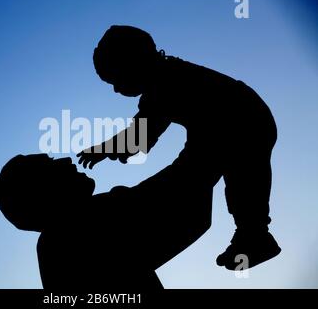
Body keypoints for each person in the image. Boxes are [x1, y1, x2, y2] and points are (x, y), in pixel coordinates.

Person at [77, 25, 281, 270]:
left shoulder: (164, 84)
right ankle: (253, 234)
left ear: (134, 62)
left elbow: (139, 139)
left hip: (237, 123)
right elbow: (140, 138)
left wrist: (105, 149)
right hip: (231, 123)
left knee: (199, 180)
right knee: (225, 181)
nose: (116, 89)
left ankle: (253, 235)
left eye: (116, 80)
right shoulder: (167, 77)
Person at [0, 153, 213, 289]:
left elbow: (188, 208)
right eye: (50, 164)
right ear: (41, 192)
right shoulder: (74, 229)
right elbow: (182, 192)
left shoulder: (57, 244)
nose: (66, 159)